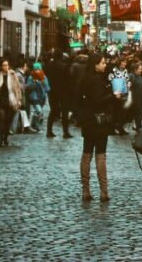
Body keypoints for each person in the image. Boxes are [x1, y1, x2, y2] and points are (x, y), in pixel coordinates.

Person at [77, 53, 115, 202]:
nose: (105, 65)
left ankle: (85, 190)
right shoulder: (97, 80)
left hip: (88, 121)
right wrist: (113, 95)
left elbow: (79, 101)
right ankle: (104, 191)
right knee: (100, 155)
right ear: (95, 65)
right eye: (103, 63)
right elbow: (98, 101)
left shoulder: (84, 79)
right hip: (99, 122)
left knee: (86, 155)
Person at [0, 59, 23, 147]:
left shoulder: (12, 75)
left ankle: (5, 138)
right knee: (1, 119)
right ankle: (1, 139)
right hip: (0, 101)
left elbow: (17, 88)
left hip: (11, 101)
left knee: (8, 121)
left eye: (7, 65)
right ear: (1, 66)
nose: (6, 67)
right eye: (4, 65)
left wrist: (18, 100)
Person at [47, 50, 74, 138]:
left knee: (53, 111)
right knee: (64, 111)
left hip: (52, 91)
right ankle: (65, 132)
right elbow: (69, 78)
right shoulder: (64, 66)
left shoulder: (49, 65)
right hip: (63, 91)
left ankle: (49, 130)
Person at [26, 63, 49, 132]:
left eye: (38, 69)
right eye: (35, 69)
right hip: (34, 97)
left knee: (39, 112)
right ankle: (30, 125)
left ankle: (34, 125)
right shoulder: (31, 78)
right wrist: (35, 82)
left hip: (42, 97)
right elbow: (28, 88)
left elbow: (47, 89)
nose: (37, 71)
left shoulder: (44, 77)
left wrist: (43, 82)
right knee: (38, 110)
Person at [129, 61, 142, 132]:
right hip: (135, 100)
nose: (141, 70)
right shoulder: (131, 76)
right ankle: (138, 127)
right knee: (137, 114)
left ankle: (138, 127)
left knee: (139, 114)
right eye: (140, 69)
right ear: (135, 69)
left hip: (140, 99)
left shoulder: (139, 76)